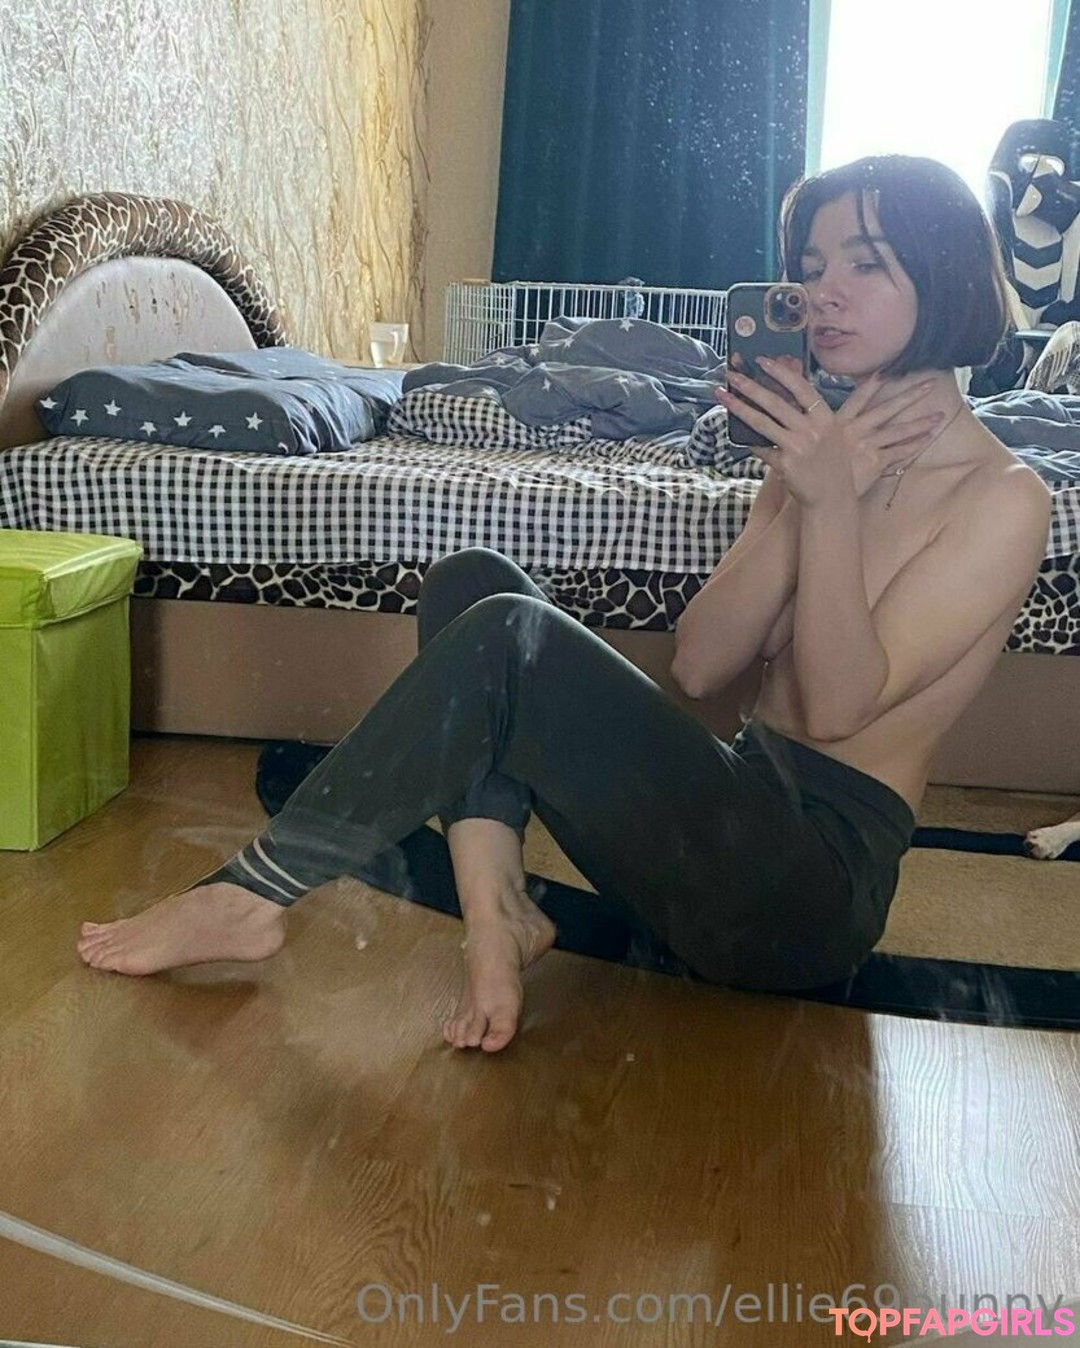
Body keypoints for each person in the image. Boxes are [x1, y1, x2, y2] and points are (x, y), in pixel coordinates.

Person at [78, 155, 1052, 1053]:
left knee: (511, 637)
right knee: (474, 581)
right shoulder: (812, 460)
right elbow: (703, 665)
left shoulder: (1004, 499)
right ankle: (497, 909)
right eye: (811, 266)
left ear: (945, 276)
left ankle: (252, 894)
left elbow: (839, 708)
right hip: (728, 818)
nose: (823, 292)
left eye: (866, 264)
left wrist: (829, 501)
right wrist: (808, 496)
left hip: (801, 900)